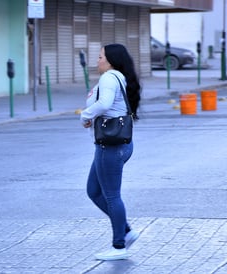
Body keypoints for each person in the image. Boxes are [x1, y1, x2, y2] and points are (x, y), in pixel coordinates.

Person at [80, 44, 141, 261]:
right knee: (94, 191)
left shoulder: (108, 77)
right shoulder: (117, 77)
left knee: (111, 195)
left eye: (99, 57)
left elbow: (104, 104)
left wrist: (85, 116)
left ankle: (118, 246)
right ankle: (125, 230)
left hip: (110, 147)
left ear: (111, 60)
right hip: (117, 144)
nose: (96, 61)